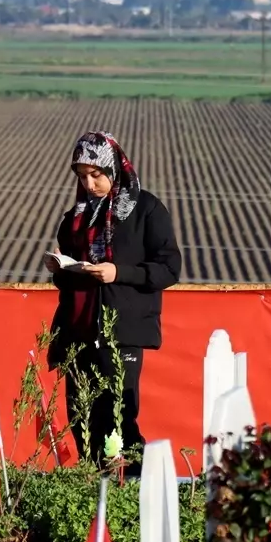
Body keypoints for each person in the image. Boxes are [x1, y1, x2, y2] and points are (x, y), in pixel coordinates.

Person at [45, 130, 182, 469]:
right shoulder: (75, 218)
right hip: (77, 333)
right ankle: (94, 491)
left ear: (114, 168)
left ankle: (134, 488)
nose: (89, 184)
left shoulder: (146, 209)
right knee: (81, 418)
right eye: (82, 176)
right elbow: (71, 283)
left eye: (96, 174)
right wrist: (61, 268)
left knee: (116, 419)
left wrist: (118, 273)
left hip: (120, 333)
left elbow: (168, 268)